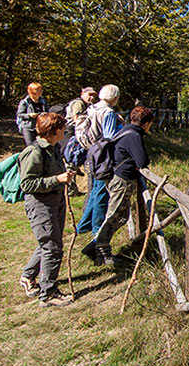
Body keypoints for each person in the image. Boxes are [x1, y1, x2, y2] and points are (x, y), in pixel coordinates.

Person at [18, 112, 76, 307]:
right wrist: (57, 180)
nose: (65, 131)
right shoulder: (34, 152)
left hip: (55, 201)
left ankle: (28, 276)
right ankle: (48, 293)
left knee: (49, 242)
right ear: (54, 131)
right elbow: (27, 184)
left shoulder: (54, 148)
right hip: (41, 205)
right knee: (51, 246)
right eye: (62, 128)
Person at [93, 106, 154, 266]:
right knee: (114, 216)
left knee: (120, 216)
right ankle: (101, 252)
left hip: (114, 176)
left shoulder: (125, 130)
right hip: (121, 180)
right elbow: (142, 161)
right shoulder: (134, 136)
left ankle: (96, 245)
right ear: (146, 123)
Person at [76, 84, 123, 259]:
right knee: (102, 193)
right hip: (103, 156)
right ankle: (97, 230)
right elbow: (109, 136)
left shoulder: (92, 108)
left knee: (95, 191)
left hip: (92, 153)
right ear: (115, 97)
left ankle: (83, 225)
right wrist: (123, 129)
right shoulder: (108, 112)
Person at [61, 87, 98, 197]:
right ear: (83, 93)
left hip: (73, 134)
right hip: (71, 134)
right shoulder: (79, 103)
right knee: (71, 161)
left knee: (73, 162)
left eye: (94, 95)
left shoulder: (85, 104)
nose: (91, 97)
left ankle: (71, 189)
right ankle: (70, 190)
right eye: (89, 94)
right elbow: (77, 119)